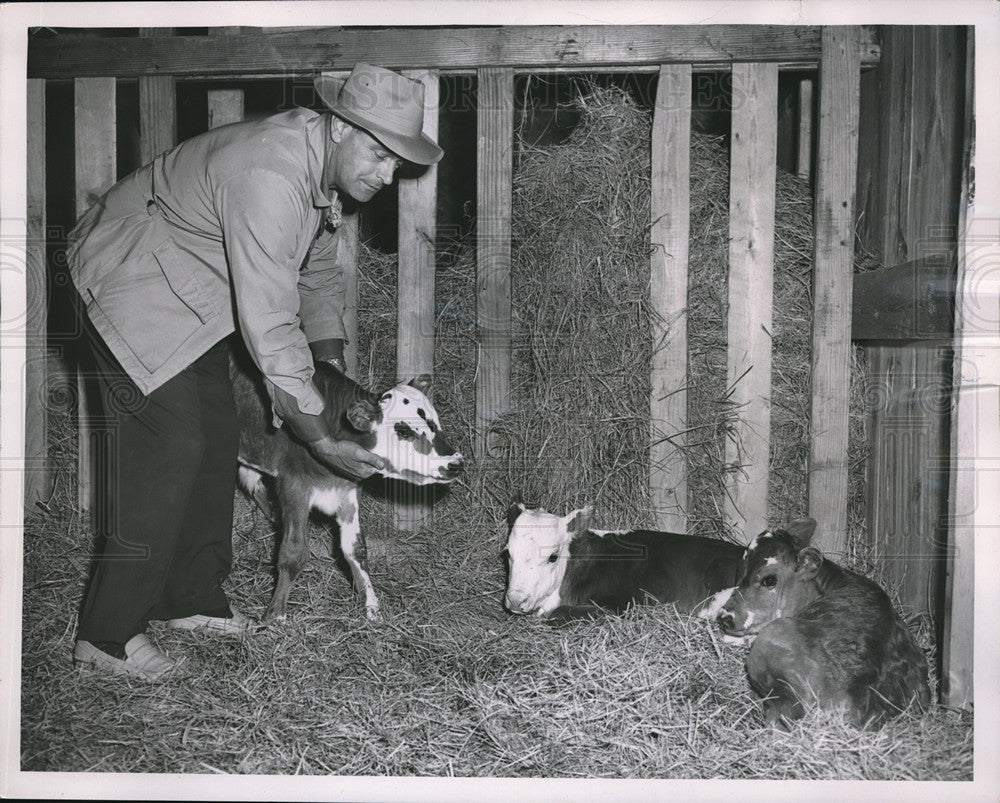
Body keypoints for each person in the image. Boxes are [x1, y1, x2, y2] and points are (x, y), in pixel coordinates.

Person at [67, 62, 443, 681]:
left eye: (397, 165)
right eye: (378, 155)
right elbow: (269, 319)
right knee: (171, 442)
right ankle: (105, 638)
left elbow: (315, 272)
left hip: (193, 292)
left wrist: (327, 368)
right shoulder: (272, 171)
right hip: (127, 280)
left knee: (216, 433)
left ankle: (188, 598)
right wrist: (318, 436)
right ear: (341, 127)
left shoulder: (320, 175)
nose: (385, 175)